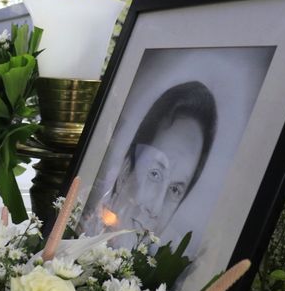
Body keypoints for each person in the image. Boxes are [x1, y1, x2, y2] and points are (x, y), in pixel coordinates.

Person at [81, 81, 217, 238]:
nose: (155, 209)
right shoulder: (81, 228)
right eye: (155, 174)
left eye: (175, 190)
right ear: (126, 171)